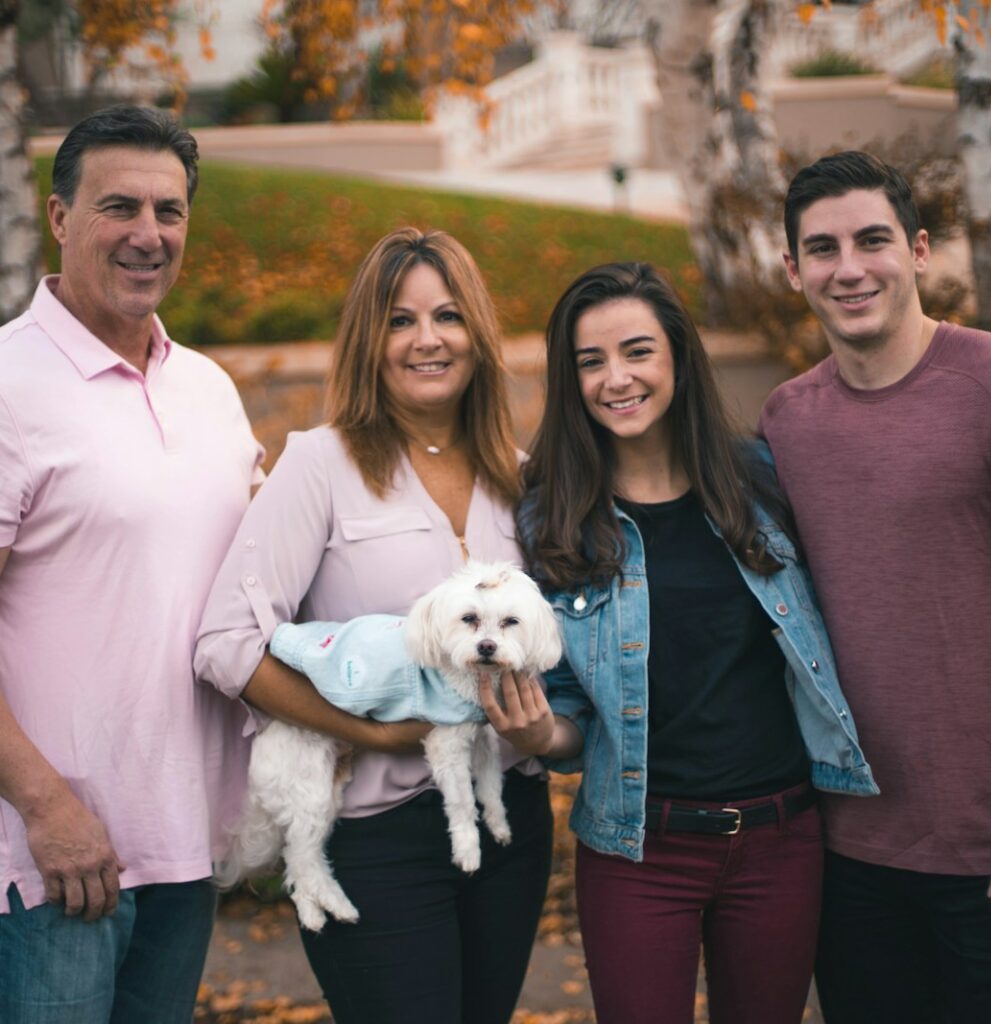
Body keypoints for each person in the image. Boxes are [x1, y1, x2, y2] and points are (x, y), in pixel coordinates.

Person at [487, 261, 876, 1024]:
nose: (615, 379)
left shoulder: (761, 482)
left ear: (676, 357)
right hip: (638, 848)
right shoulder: (552, 519)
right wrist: (540, 732)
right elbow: (567, 716)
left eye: (637, 351)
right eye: (590, 362)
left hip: (779, 841)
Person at [194, 227, 553, 1024]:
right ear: (369, 339)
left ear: (478, 336)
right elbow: (225, 645)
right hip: (375, 833)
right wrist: (372, 732)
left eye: (448, 316)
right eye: (399, 320)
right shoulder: (320, 465)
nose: (428, 339)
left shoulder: (517, 474)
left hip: (508, 827)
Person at [0, 106, 264, 1024]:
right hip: (53, 862)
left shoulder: (208, 389)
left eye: (171, 211)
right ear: (60, 216)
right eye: (120, 207)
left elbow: (267, 571)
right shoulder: (7, 385)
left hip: (183, 845)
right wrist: (45, 809)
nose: (149, 235)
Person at [759, 150, 991, 1023]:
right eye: (823, 249)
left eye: (872, 240)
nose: (850, 268)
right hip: (848, 859)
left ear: (916, 251)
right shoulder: (787, 421)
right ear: (794, 271)